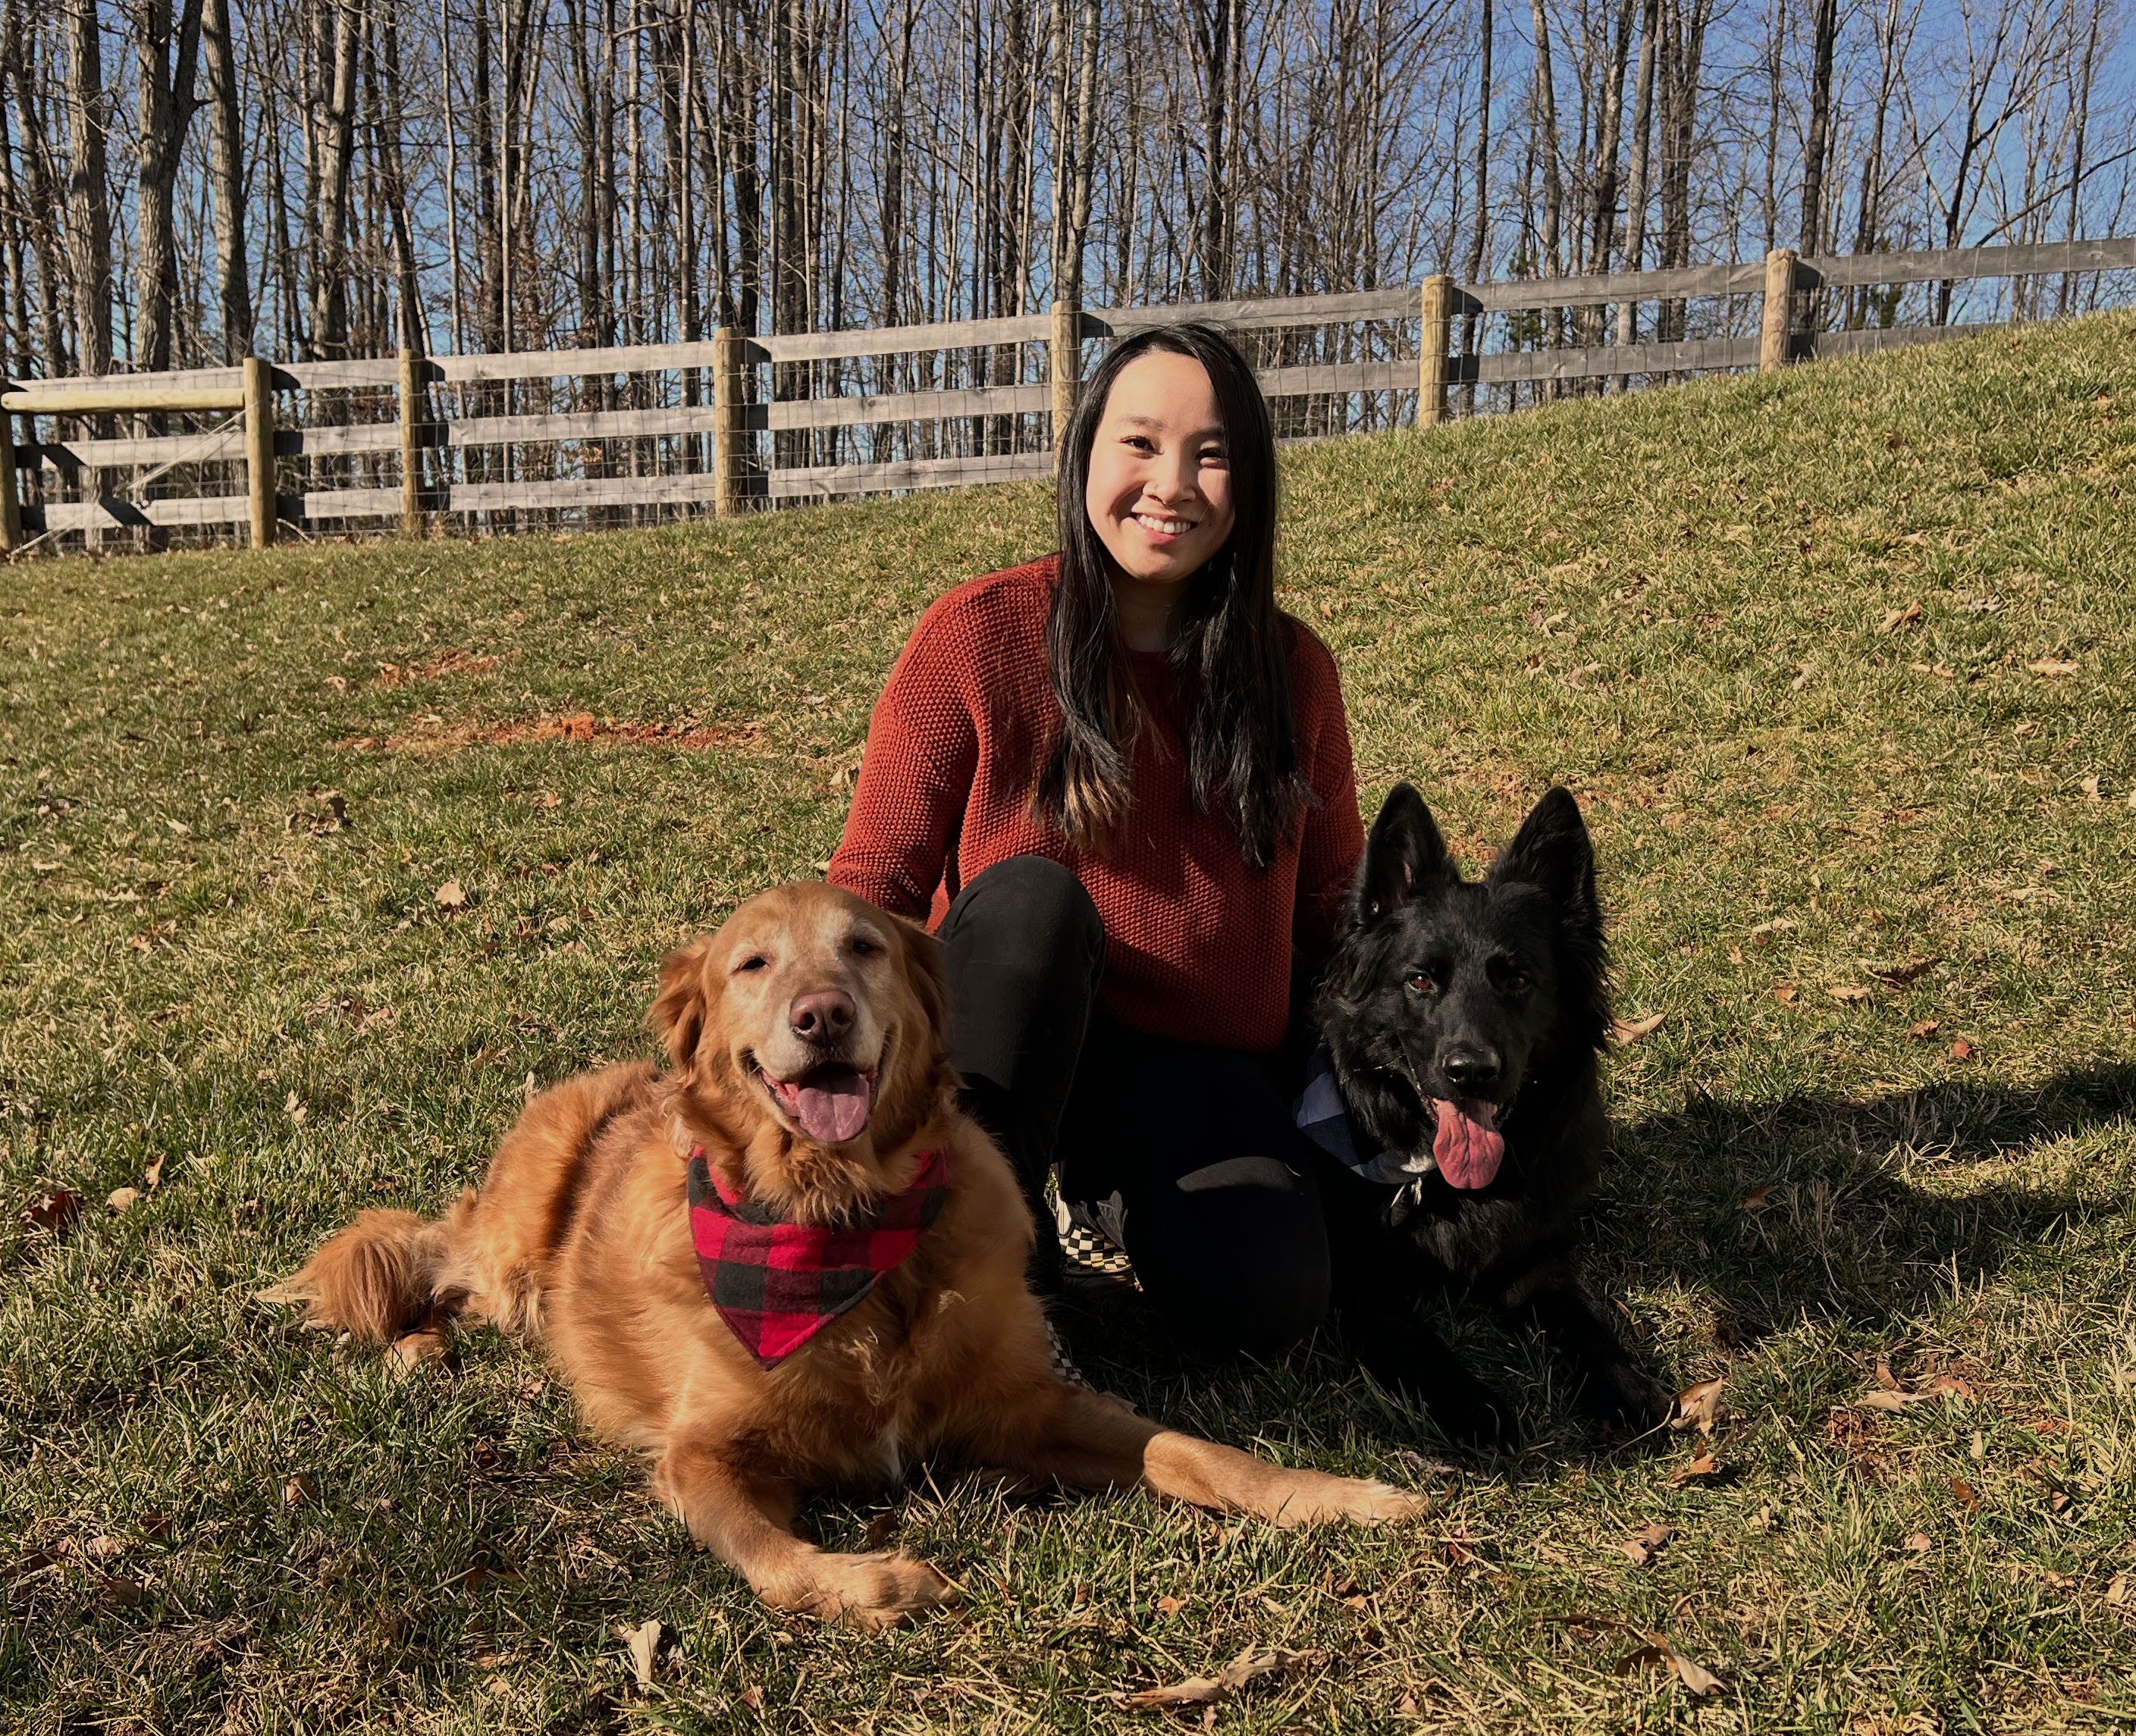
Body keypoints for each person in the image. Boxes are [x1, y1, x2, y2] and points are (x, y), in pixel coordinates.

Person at [827, 322, 1363, 1358]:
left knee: (1270, 1294)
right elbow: (869, 888)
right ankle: (988, 1241)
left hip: (1192, 1073)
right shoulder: (977, 634)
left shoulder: (1292, 672)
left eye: (1210, 453)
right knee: (1033, 900)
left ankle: (1088, 1218)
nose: (1170, 483)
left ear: (1247, 483)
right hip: (1002, 1045)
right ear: (1083, 456)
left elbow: (1338, 915)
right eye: (1138, 443)